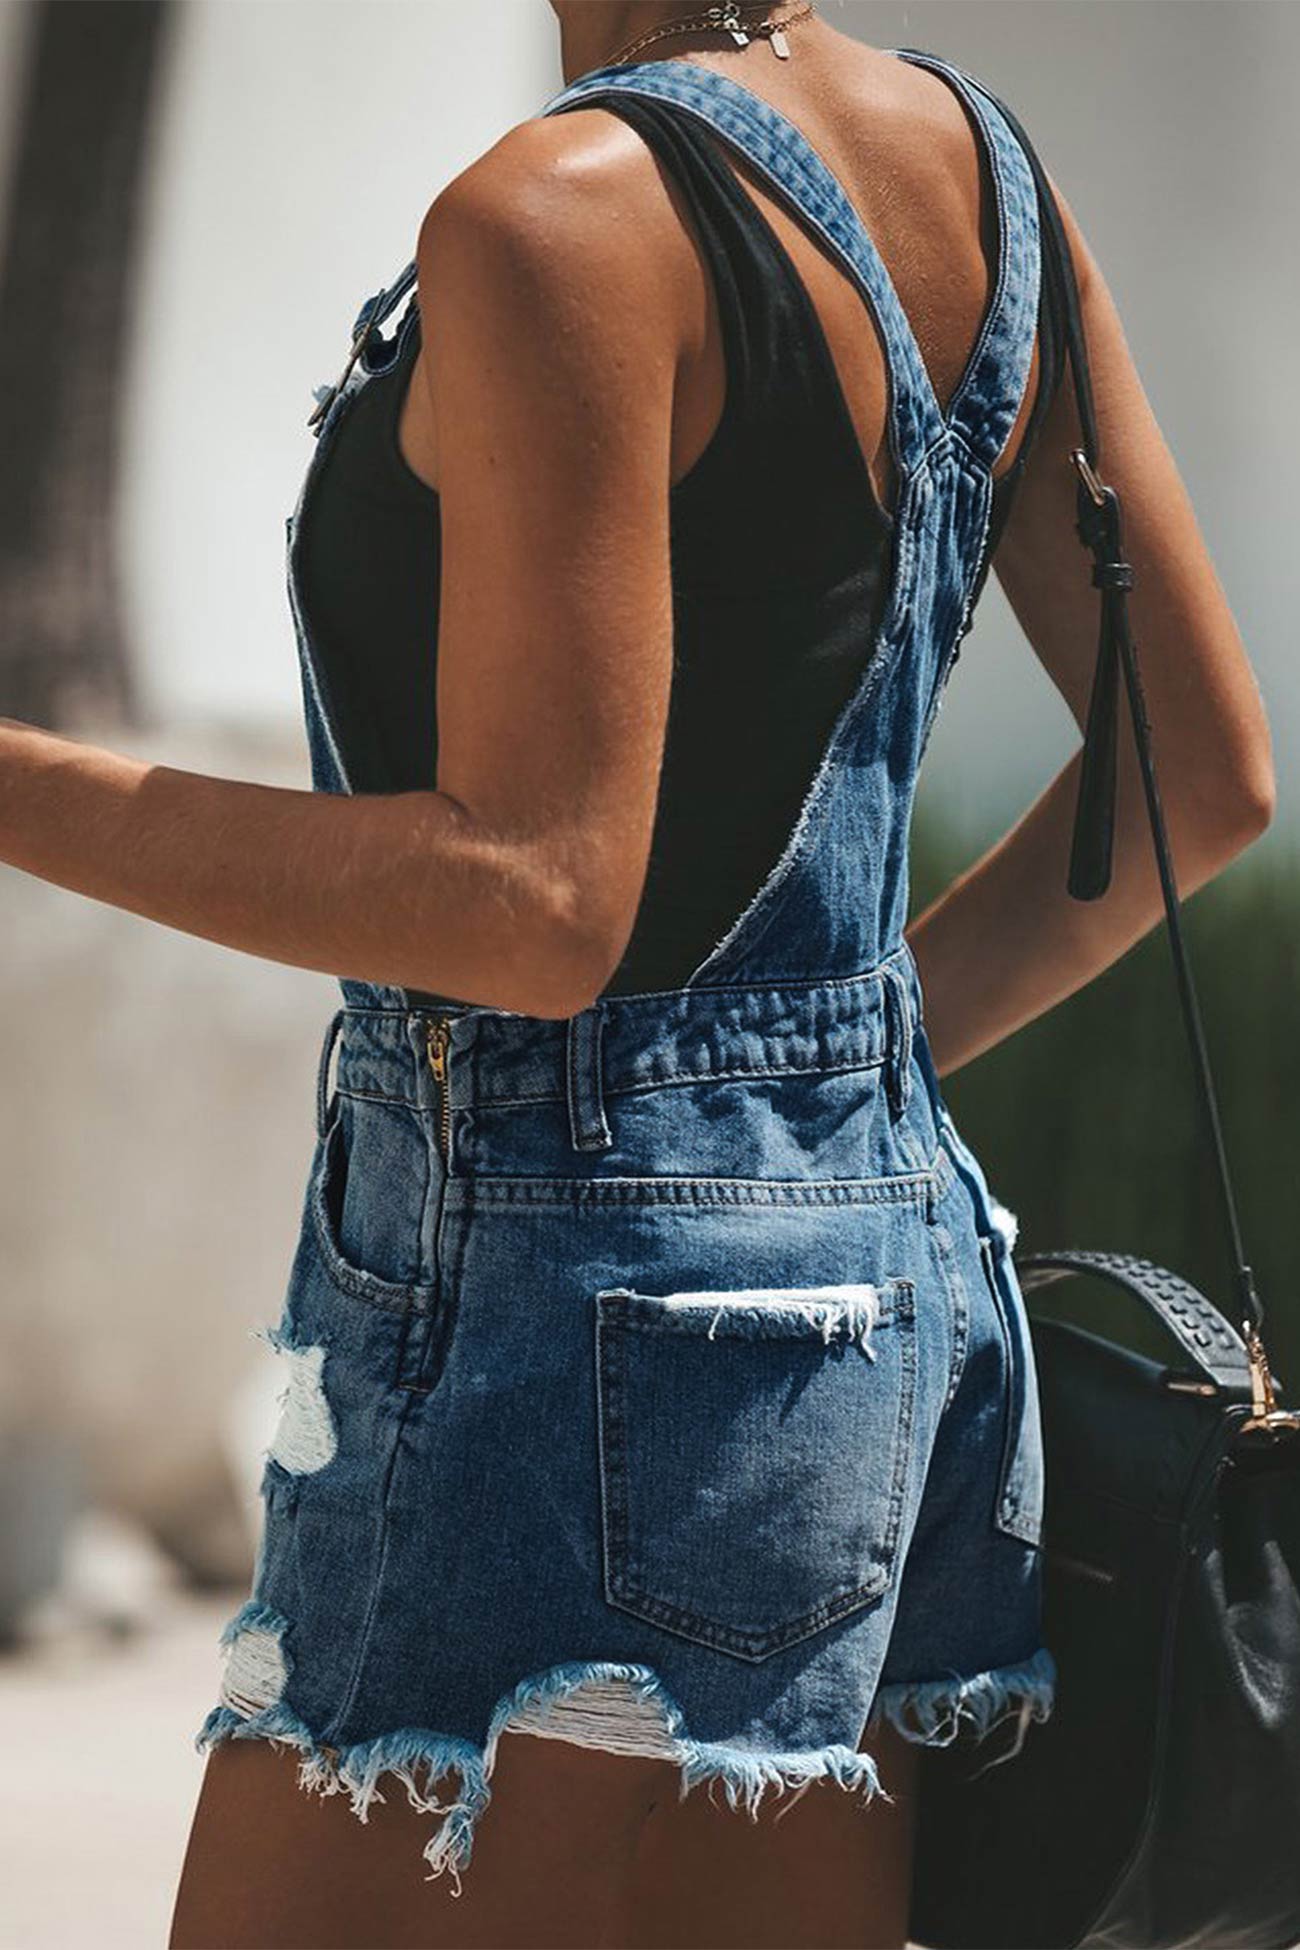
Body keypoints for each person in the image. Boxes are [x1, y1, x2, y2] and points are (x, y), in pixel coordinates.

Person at [0, 3, 1273, 1946]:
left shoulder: (561, 215)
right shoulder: (978, 178)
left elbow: (531, 899)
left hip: (565, 1311)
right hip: (898, 1297)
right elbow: (1198, 771)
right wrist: (820, 1104)